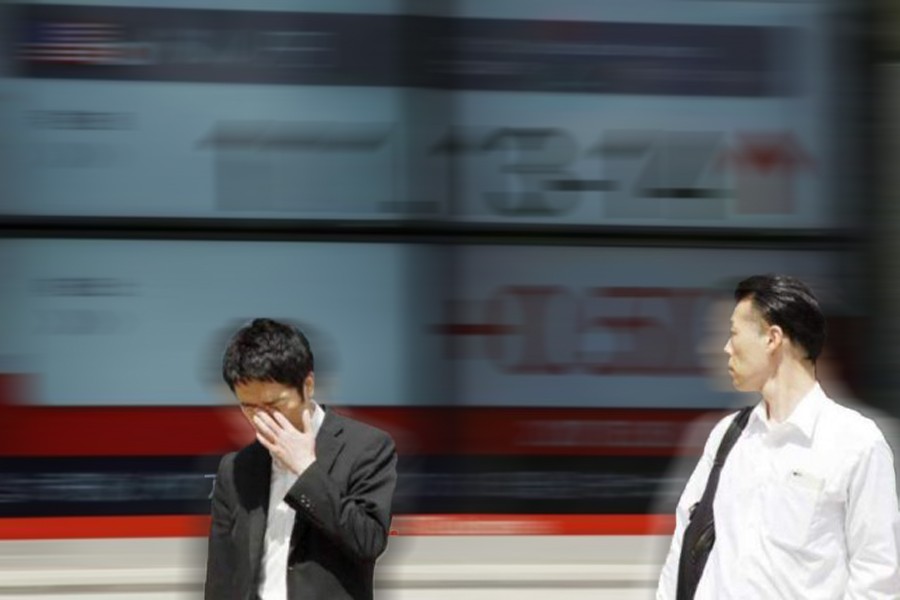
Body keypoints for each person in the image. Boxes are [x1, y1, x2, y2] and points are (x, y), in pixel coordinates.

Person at [656, 274, 900, 599]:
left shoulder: (857, 443)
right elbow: (683, 544)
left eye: (733, 334)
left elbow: (877, 577)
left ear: (772, 338)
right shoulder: (727, 437)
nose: (726, 348)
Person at [204, 318, 397, 600]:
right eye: (248, 406)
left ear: (308, 385)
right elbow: (221, 575)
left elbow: (369, 542)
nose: (261, 418)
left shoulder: (367, 447)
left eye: (274, 404)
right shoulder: (235, 468)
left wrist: (306, 469)